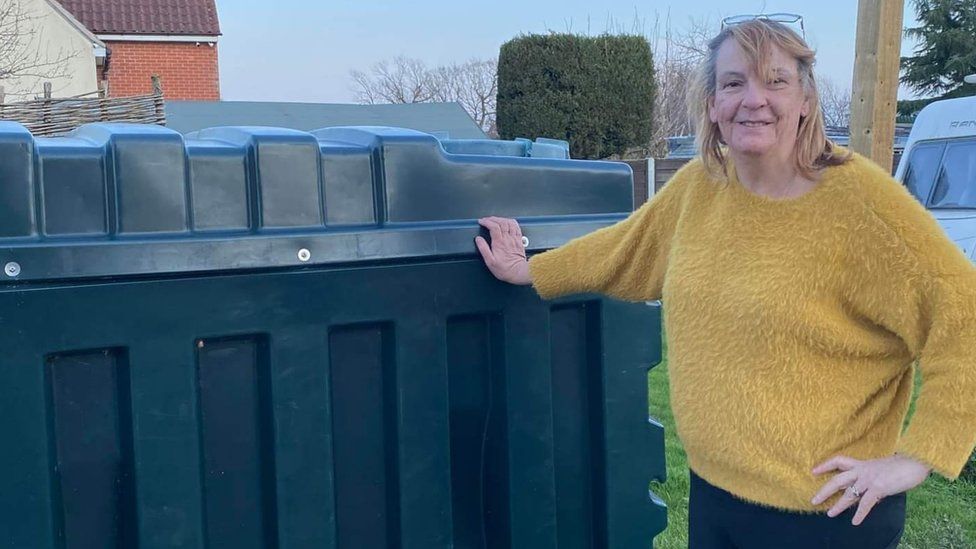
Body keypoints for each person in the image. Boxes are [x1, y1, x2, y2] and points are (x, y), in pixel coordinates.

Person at [475, 18, 976, 549]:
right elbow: (626, 250)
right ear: (713, 104)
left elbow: (963, 318)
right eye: (734, 83)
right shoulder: (701, 185)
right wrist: (530, 270)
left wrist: (916, 459)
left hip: (822, 517)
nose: (753, 99)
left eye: (775, 81)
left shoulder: (862, 205)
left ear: (805, 98)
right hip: (715, 494)